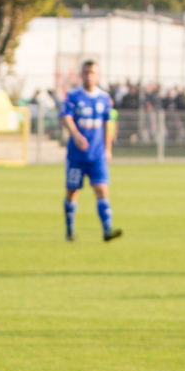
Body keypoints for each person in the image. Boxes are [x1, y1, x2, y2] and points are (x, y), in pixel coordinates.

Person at [60, 60, 123, 242]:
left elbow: (107, 123)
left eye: (93, 73)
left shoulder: (104, 98)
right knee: (72, 192)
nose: (89, 76)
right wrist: (75, 134)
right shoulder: (73, 96)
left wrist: (108, 149)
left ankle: (107, 230)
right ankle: (70, 230)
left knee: (102, 190)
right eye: (86, 72)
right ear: (82, 75)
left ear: (98, 75)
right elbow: (65, 117)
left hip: (97, 155)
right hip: (76, 156)